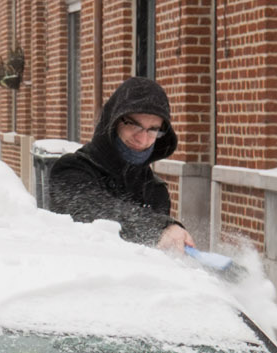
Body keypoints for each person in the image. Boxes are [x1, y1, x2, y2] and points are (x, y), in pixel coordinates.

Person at [44, 76, 197, 254]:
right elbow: (94, 210)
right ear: (114, 122)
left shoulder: (155, 191)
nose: (143, 138)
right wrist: (158, 229)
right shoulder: (70, 171)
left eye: (153, 129)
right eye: (133, 125)